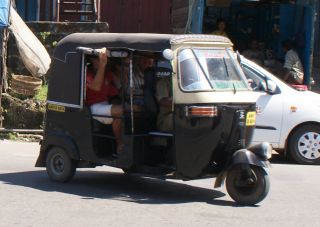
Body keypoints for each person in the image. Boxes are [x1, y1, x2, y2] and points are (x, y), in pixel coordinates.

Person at [85, 47, 124, 152]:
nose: (105, 62)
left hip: (105, 105)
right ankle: (119, 144)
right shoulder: (87, 74)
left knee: (129, 110)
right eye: (100, 59)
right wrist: (102, 65)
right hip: (94, 107)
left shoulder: (108, 75)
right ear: (93, 60)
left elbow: (118, 90)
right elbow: (96, 87)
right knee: (122, 111)